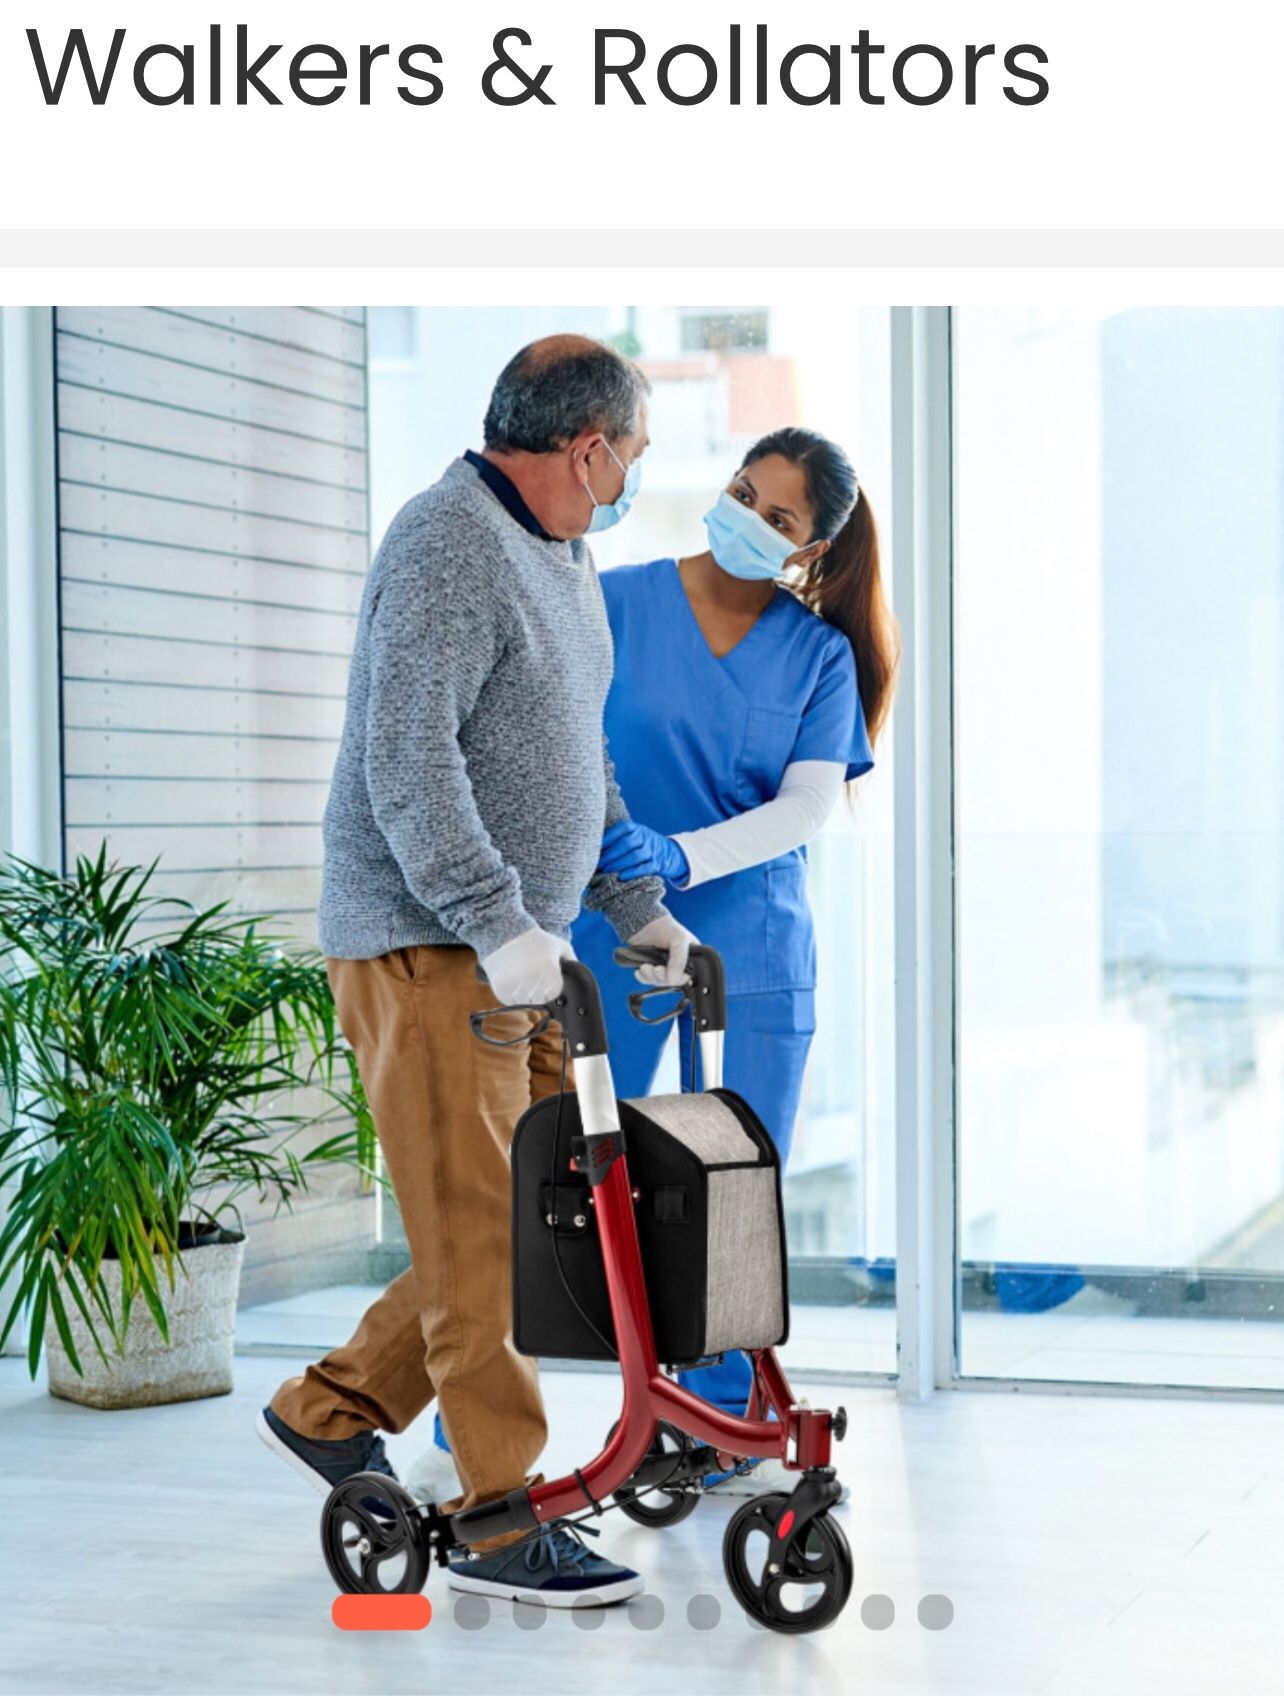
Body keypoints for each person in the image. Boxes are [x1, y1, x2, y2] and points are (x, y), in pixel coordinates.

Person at [254, 335, 696, 1609]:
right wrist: (495, 917)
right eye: (634, 457)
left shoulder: (565, 555)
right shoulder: (447, 541)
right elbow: (408, 762)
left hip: (522, 950)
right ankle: (502, 1517)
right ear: (587, 445)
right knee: (479, 1237)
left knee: (513, 1229)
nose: (631, 481)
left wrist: (635, 904)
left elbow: (580, 756)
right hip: (433, 945)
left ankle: (330, 1407)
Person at [575, 426, 899, 1491]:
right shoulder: (612, 602)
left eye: (780, 517)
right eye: (742, 492)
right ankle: (489, 1425)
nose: (750, 520)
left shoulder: (818, 656)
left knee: (730, 1195)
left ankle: (713, 1423)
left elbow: (807, 805)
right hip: (610, 936)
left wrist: (677, 851)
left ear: (809, 549)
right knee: (575, 1182)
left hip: (752, 942)